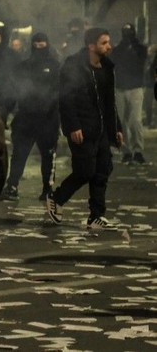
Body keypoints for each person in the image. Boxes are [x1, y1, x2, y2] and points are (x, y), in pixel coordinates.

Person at [47, 28, 123, 229]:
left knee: (103, 170)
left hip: (101, 130)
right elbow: (66, 98)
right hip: (82, 128)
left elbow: (109, 102)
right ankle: (57, 198)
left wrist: (117, 128)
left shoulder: (106, 67)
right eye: (104, 43)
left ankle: (96, 215)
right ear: (91, 46)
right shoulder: (74, 66)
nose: (109, 46)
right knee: (85, 171)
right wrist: (73, 125)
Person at [2, 32, 61, 201]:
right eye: (37, 44)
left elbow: (60, 92)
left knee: (47, 156)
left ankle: (47, 188)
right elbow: (12, 92)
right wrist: (4, 114)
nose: (39, 48)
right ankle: (13, 185)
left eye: (42, 44)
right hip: (27, 118)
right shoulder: (23, 67)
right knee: (20, 154)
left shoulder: (55, 66)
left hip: (47, 119)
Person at [110, 23, 148, 165]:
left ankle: (137, 150)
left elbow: (140, 62)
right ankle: (126, 151)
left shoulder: (139, 48)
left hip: (135, 87)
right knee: (122, 122)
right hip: (121, 87)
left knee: (135, 120)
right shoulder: (118, 49)